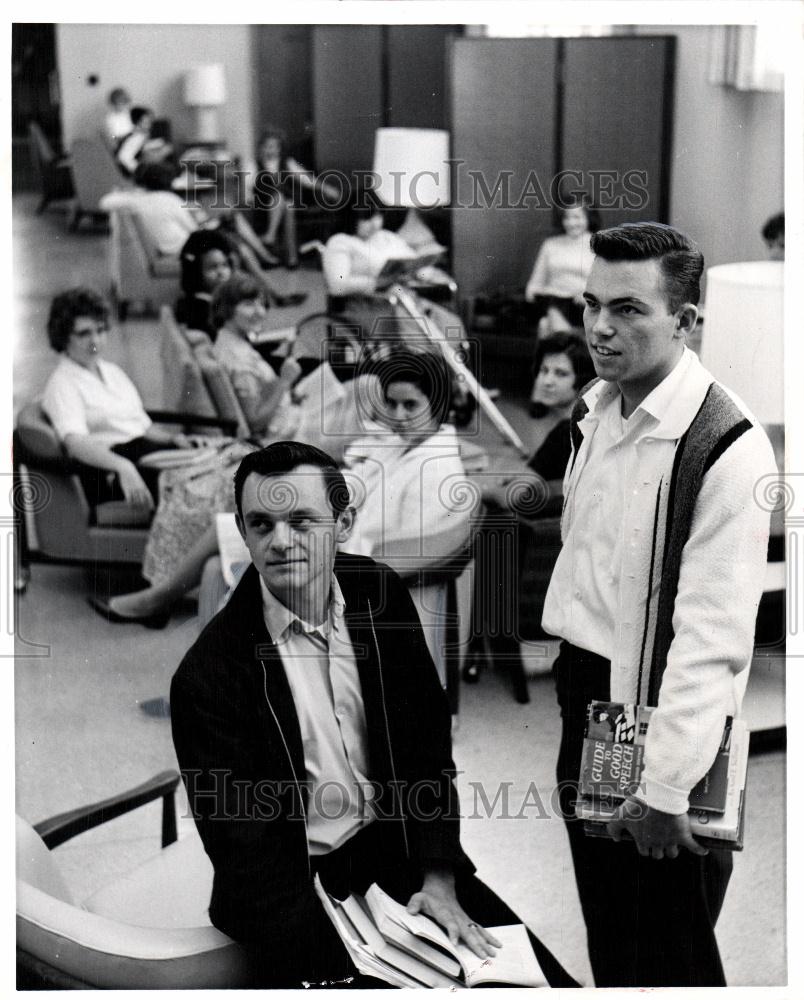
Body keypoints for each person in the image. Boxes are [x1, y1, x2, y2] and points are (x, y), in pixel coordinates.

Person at [170, 440, 578, 988]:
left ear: (343, 524)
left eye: (302, 521)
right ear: (242, 532)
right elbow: (246, 857)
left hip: (398, 855)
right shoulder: (208, 676)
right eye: (261, 524)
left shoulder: (377, 593)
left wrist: (437, 878)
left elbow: (425, 750)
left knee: (546, 987)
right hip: (296, 888)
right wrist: (345, 967)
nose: (280, 542)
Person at [542, 221, 776, 987]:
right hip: (589, 697)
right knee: (615, 933)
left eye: (630, 310)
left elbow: (712, 639)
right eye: (590, 304)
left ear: (685, 320)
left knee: (672, 952)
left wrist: (664, 785)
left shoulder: (725, 446)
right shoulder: (597, 408)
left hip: (660, 714)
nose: (601, 328)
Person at [41, 287, 204, 513]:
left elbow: (144, 426)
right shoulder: (63, 384)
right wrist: (123, 467)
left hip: (145, 453)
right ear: (63, 336)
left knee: (227, 463)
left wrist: (175, 439)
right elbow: (75, 443)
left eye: (100, 331)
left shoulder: (112, 371)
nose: (95, 341)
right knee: (211, 484)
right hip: (112, 468)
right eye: (84, 333)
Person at [250, 126, 340, 268]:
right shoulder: (254, 165)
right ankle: (291, 257)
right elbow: (248, 188)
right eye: (266, 146)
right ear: (261, 148)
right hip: (263, 205)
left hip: (286, 202)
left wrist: (326, 188)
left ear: (279, 149)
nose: (270, 150)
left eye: (274, 147)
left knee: (288, 205)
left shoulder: (287, 163)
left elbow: (307, 179)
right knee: (282, 200)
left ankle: (272, 238)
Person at [525, 199, 599, 334]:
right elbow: (536, 281)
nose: (571, 223)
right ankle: (570, 342)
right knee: (550, 311)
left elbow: (603, 284)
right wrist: (532, 293)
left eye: (577, 217)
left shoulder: (599, 245)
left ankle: (565, 340)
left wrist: (589, 296)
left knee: (545, 325)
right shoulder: (550, 244)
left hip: (581, 304)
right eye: (567, 217)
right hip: (550, 300)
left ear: (588, 218)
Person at [175, 229, 234, 339]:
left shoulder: (212, 300)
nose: (221, 273)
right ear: (196, 273)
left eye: (225, 265)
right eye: (213, 267)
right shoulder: (200, 311)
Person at [115, 106, 173, 180]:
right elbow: (123, 157)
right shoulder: (135, 138)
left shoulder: (141, 136)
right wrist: (138, 171)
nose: (150, 125)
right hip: (139, 172)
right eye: (147, 122)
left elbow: (141, 148)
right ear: (137, 123)